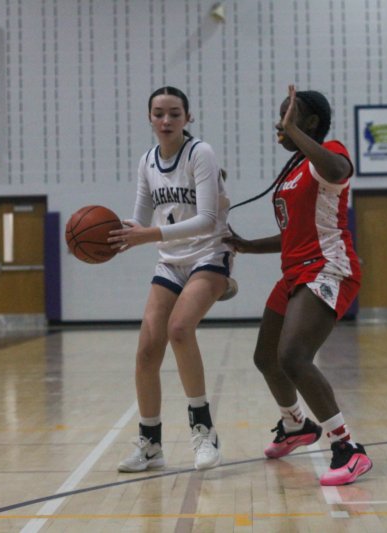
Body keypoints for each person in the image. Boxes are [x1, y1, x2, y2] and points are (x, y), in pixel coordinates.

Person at [224, 85, 372, 486]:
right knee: (266, 358)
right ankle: (296, 426)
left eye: (287, 116)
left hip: (328, 267)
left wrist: (299, 135)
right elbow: (291, 233)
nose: (278, 123)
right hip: (295, 271)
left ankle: (348, 448)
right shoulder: (293, 168)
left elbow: (341, 171)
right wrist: (246, 245)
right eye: (279, 116)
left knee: (293, 357)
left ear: (309, 123)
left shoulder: (329, 155)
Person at [109, 86, 235, 472]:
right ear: (149, 118)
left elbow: (209, 219)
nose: (166, 121)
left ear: (188, 118)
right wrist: (114, 236)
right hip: (171, 262)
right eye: (159, 113)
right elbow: (140, 218)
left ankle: (204, 433)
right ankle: (150, 444)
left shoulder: (201, 153)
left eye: (175, 113)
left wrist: (149, 235)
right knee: (148, 347)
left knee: (180, 328)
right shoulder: (147, 160)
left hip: (210, 253)